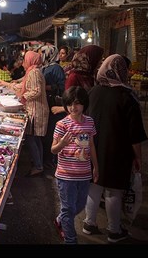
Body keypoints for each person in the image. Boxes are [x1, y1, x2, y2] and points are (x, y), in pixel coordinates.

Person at [83, 54, 147, 243]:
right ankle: (113, 230)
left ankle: (89, 223)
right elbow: (134, 134)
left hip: (92, 147)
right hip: (116, 151)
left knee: (94, 187)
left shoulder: (94, 91)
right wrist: (138, 158)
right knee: (113, 191)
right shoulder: (127, 96)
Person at [51, 86, 99, 244]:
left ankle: (61, 219)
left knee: (79, 205)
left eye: (77, 103)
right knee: (68, 208)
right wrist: (62, 144)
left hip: (84, 174)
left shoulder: (89, 122)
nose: (73, 107)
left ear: (84, 104)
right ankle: (70, 240)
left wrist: (95, 167)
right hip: (65, 175)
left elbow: (91, 145)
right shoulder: (62, 124)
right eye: (70, 103)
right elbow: (53, 149)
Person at [0, 51, 49, 176]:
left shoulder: (34, 73)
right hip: (36, 109)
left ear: (31, 60)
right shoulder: (33, 71)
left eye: (26, 60)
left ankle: (38, 166)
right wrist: (8, 85)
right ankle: (38, 163)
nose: (24, 62)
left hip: (36, 110)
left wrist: (22, 98)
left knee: (32, 139)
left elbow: (35, 91)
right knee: (36, 139)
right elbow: (24, 85)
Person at [40, 45, 66, 169]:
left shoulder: (56, 69)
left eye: (43, 53)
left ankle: (51, 160)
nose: (41, 56)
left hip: (53, 105)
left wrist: (45, 87)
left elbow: (61, 87)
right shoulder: (44, 67)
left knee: (52, 132)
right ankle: (46, 158)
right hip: (46, 103)